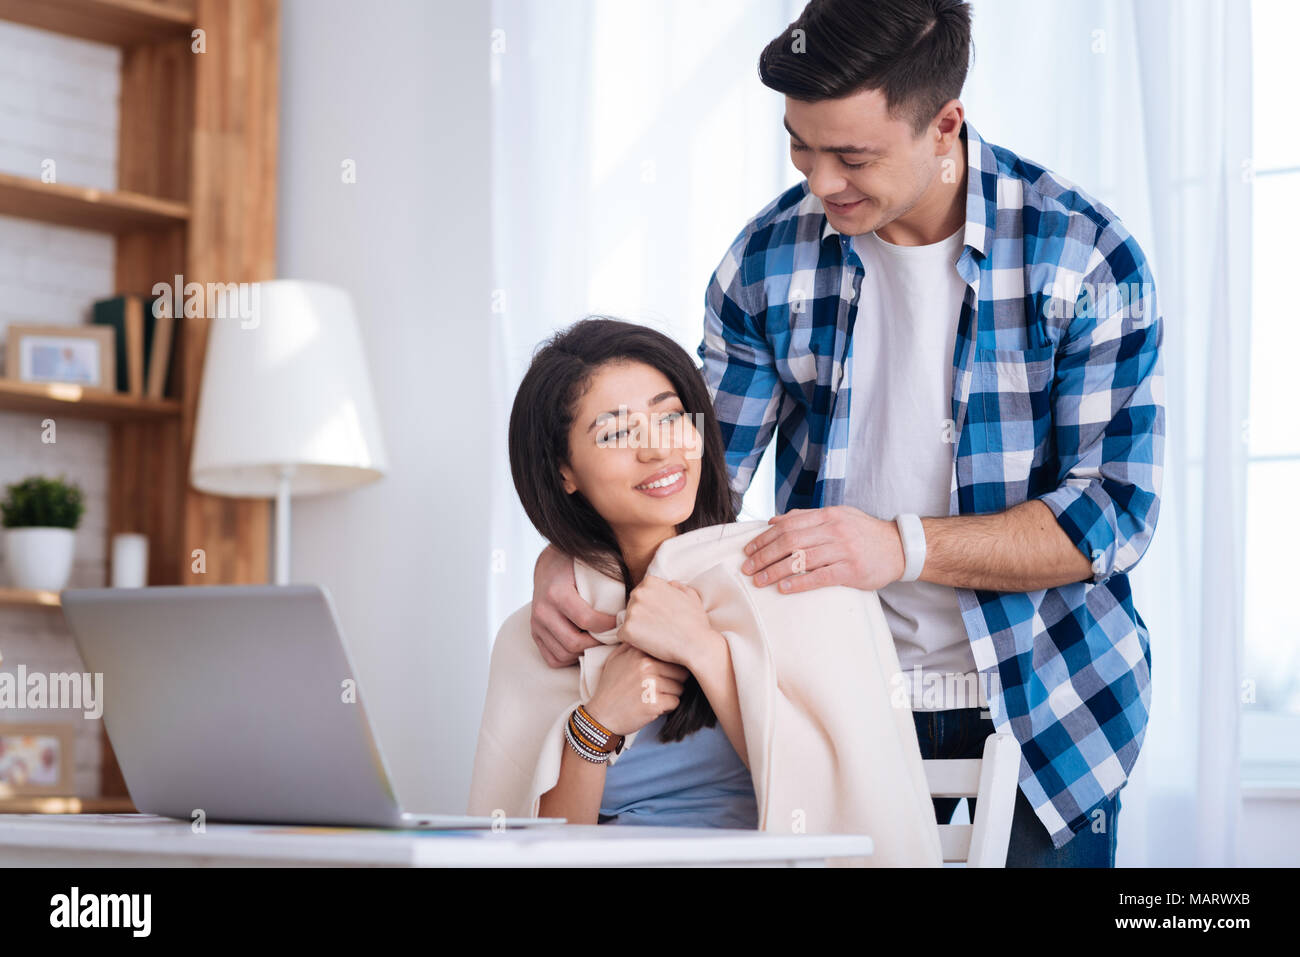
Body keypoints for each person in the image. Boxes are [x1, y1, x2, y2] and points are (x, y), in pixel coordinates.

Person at [528, 0, 1164, 866]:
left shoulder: (1083, 257)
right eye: (799, 144)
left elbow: (1113, 516)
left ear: (946, 125)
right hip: (823, 710)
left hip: (1047, 711)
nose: (821, 182)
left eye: (852, 155)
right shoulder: (766, 264)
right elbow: (695, 484)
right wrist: (568, 550)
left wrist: (897, 547)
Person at [503, 317, 757, 827]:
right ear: (564, 472)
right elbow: (542, 852)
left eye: (670, 418)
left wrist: (702, 651)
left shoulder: (775, 576)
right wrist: (598, 723)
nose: (658, 449)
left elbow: (822, 788)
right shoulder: (545, 631)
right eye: (617, 433)